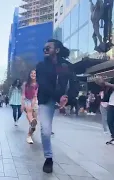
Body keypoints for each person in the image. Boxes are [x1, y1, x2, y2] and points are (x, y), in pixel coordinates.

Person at [36, 39, 74, 173]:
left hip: (63, 98)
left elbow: (74, 83)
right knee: (46, 130)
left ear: (57, 50)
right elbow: (43, 84)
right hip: (47, 99)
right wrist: (59, 97)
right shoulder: (41, 66)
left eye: (48, 48)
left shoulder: (66, 65)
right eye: (44, 48)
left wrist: (68, 97)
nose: (45, 50)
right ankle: (49, 158)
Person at [95, 77, 114, 148]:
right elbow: (107, 87)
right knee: (109, 121)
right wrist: (101, 83)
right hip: (111, 105)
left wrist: (106, 83)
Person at [21, 70, 38, 144]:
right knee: (29, 113)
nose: (33, 74)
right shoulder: (25, 84)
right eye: (31, 73)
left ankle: (32, 125)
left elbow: (35, 95)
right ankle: (29, 136)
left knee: (34, 124)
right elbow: (23, 95)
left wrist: (33, 104)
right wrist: (22, 104)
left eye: (35, 73)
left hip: (34, 101)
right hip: (27, 100)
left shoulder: (37, 84)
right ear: (29, 74)